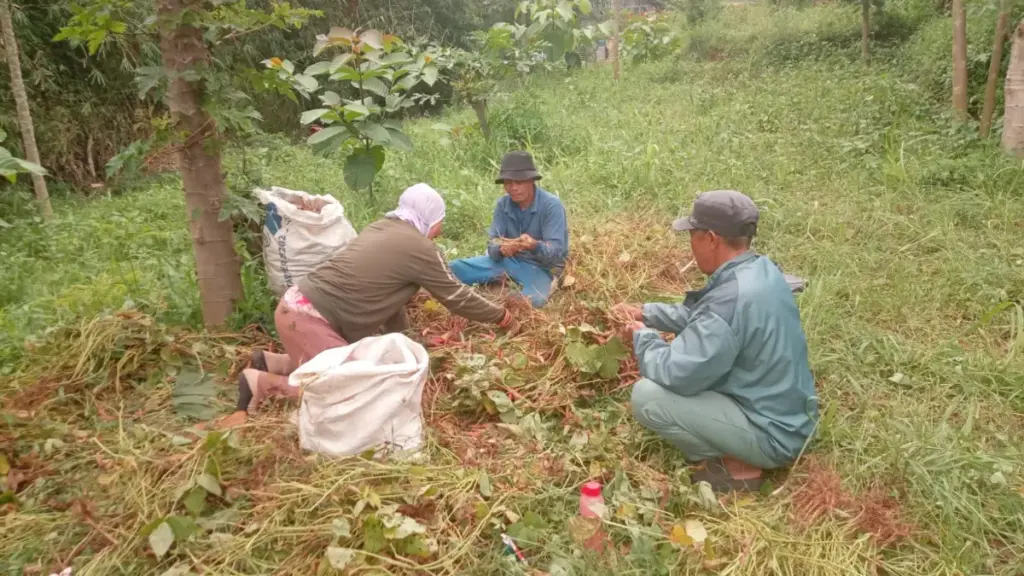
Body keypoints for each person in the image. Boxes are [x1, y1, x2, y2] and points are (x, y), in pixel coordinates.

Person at [216, 183, 519, 429]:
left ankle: (269, 361)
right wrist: (502, 316)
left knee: (338, 363)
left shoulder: (381, 228)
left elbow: (388, 297)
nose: (439, 229)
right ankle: (261, 383)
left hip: (296, 309)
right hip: (311, 317)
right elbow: (456, 296)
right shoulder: (420, 247)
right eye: (439, 222)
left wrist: (406, 342)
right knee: (352, 388)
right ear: (428, 217)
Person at [613, 190, 817, 492]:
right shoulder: (760, 270)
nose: (690, 247)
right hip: (789, 415)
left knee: (647, 397)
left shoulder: (729, 301)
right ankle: (741, 449)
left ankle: (739, 467)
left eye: (692, 236)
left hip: (773, 433)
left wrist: (641, 336)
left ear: (711, 238)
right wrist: (646, 312)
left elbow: (675, 373)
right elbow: (703, 318)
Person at [449, 151, 569, 308]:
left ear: (531, 181)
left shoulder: (551, 206)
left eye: (519, 182)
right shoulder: (503, 204)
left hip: (539, 267)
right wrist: (501, 249)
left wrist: (534, 246)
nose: (513, 188)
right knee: (452, 269)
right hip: (508, 261)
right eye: (508, 183)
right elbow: (492, 241)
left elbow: (557, 252)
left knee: (535, 299)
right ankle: (498, 285)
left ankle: (498, 292)